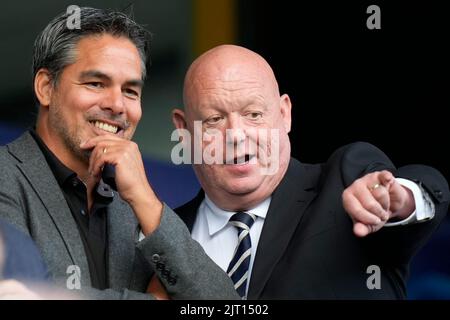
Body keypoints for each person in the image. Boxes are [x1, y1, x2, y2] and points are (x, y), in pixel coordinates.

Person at [171, 44, 449, 299]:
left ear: (284, 114)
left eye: (254, 114)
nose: (236, 135)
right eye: (214, 120)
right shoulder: (160, 238)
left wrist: (398, 199)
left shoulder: (343, 186)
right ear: (183, 132)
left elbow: (426, 189)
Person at [0, 8, 238, 300]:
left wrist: (145, 200)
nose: (116, 105)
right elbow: (21, 294)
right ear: (46, 88)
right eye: (96, 83)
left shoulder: (135, 206)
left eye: (130, 91)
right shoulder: (5, 177)